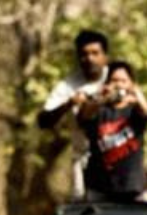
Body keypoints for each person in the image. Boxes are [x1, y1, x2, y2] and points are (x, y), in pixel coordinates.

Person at [37, 30, 110, 200]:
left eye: (95, 53)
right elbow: (43, 121)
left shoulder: (115, 77)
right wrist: (68, 104)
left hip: (117, 158)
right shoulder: (68, 86)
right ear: (78, 57)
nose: (90, 58)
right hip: (84, 160)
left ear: (105, 56)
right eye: (84, 54)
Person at [78, 60, 147, 202]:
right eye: (114, 80)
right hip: (100, 188)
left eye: (123, 81)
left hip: (132, 187)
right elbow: (84, 115)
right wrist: (102, 97)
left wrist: (135, 94)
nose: (119, 85)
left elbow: (146, 111)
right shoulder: (98, 109)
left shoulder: (134, 110)